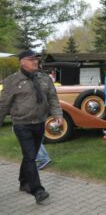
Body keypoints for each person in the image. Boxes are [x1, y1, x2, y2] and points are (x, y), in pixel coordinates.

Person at [0, 49, 63, 204]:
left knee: (31, 156)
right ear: (22, 62)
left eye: (36, 59)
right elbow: (3, 105)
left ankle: (23, 182)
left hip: (40, 123)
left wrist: (58, 115)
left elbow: (53, 98)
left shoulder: (44, 79)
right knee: (30, 156)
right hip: (22, 124)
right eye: (31, 59)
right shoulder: (11, 81)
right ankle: (37, 190)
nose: (35, 61)